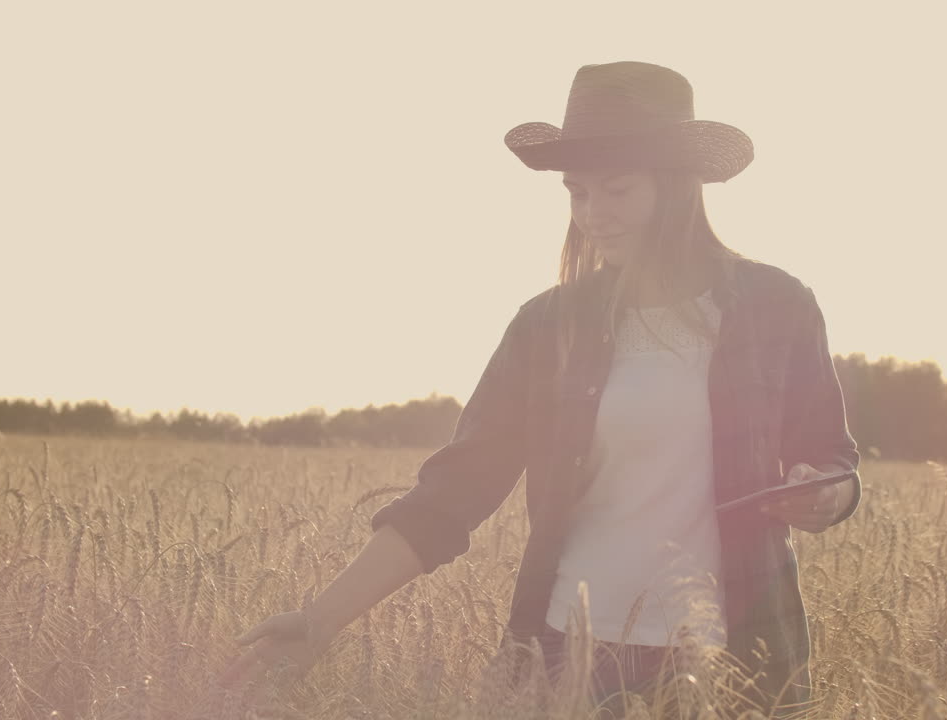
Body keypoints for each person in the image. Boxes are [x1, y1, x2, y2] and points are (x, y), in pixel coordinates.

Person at [221, 61, 862, 718]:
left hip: (736, 657)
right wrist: (321, 619)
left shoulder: (777, 306)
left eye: (616, 190)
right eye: (577, 193)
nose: (593, 215)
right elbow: (452, 492)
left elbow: (832, 456)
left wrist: (828, 494)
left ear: (677, 187)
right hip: (570, 658)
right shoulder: (546, 326)